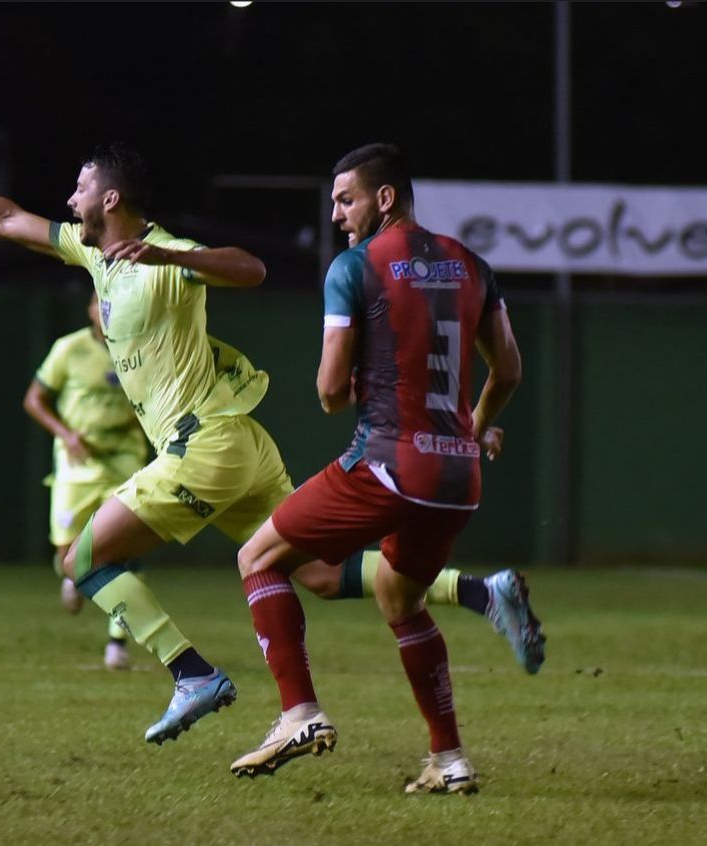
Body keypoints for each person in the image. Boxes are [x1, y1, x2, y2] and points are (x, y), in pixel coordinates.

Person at [0, 142, 289, 745]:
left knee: (82, 559)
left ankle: (193, 674)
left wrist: (165, 255)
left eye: (79, 188)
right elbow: (3, 218)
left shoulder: (171, 256)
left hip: (203, 442)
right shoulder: (95, 253)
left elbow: (253, 269)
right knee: (318, 570)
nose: (68, 199)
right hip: (236, 438)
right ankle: (464, 588)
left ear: (110, 198)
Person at [231, 143, 542, 794]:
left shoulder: (355, 267)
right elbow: (508, 369)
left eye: (346, 199)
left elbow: (326, 387)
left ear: (385, 197)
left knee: (258, 557)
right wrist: (474, 427)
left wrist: (343, 388)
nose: (338, 214)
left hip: (388, 464)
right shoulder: (472, 265)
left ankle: (299, 713)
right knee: (399, 597)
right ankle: (449, 759)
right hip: (459, 477)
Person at [23, 292, 150, 671]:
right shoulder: (69, 349)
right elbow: (34, 399)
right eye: (101, 303)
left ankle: (117, 642)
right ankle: (73, 577)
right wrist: (66, 434)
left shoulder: (141, 350)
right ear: (91, 309)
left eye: (115, 303)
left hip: (124, 460)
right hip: (77, 463)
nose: (108, 310)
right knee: (68, 557)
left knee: (124, 550)